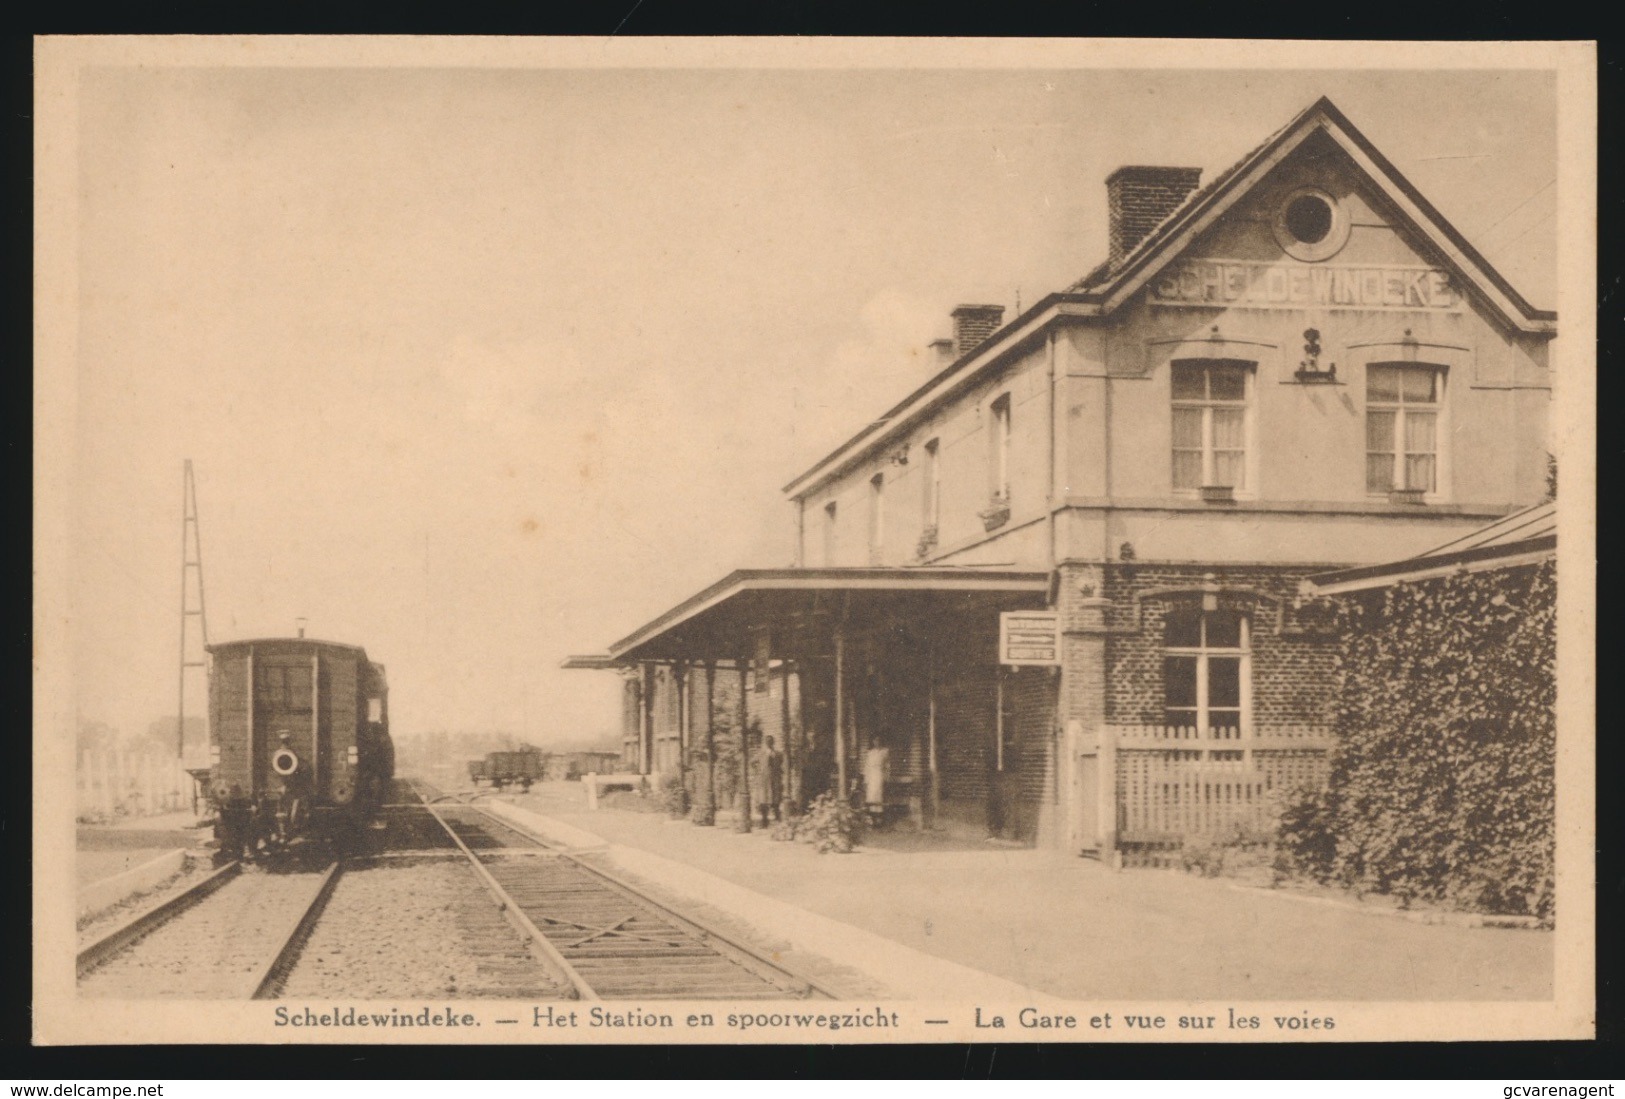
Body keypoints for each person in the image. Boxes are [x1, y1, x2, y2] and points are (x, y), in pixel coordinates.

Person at [752, 735, 784, 828]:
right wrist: (759, 771)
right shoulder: (761, 753)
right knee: (764, 800)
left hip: (775, 780)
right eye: (767, 741)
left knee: (776, 800)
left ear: (773, 742)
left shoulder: (778, 754)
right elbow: (752, 762)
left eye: (771, 741)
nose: (769, 743)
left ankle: (778, 820)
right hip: (764, 780)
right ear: (766, 743)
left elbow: (781, 763)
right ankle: (764, 822)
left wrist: (778, 771)